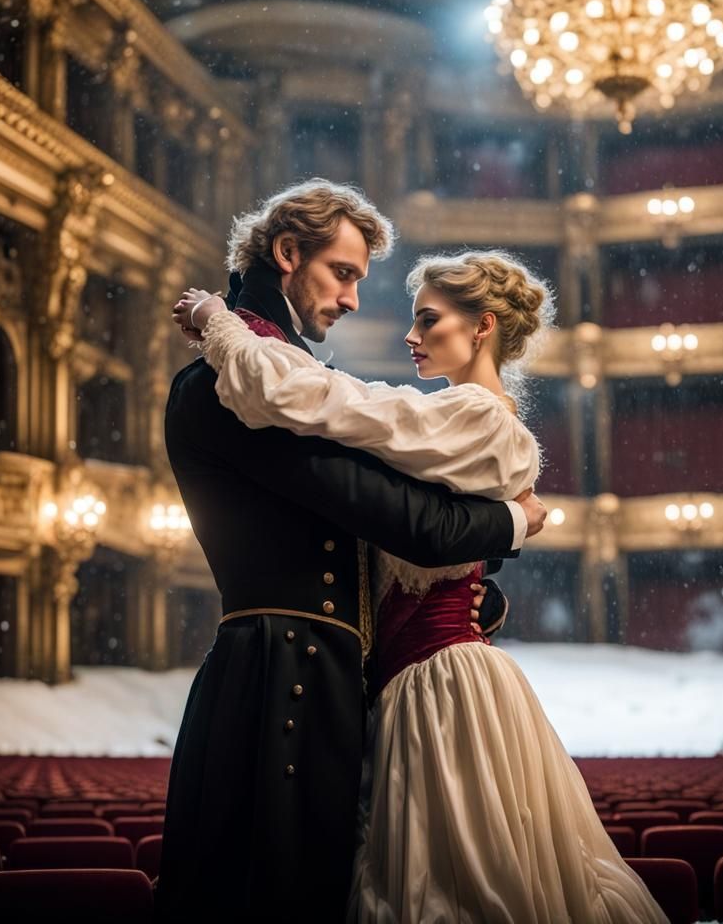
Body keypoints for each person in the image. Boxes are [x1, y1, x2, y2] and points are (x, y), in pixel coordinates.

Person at [177, 249, 670, 924]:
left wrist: (222, 325)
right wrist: (506, 529)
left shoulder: (478, 417)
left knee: (456, 891)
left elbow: (331, 402)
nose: (411, 337)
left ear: (483, 327)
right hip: (409, 683)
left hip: (444, 682)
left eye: (428, 320)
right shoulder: (451, 426)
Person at [156, 179, 547, 924]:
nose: (354, 300)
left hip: (328, 675)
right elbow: (393, 515)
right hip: (280, 673)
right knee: (267, 896)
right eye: (343, 273)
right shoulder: (226, 383)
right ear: (286, 253)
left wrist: (463, 582)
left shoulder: (274, 375)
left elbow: (385, 510)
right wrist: (508, 525)